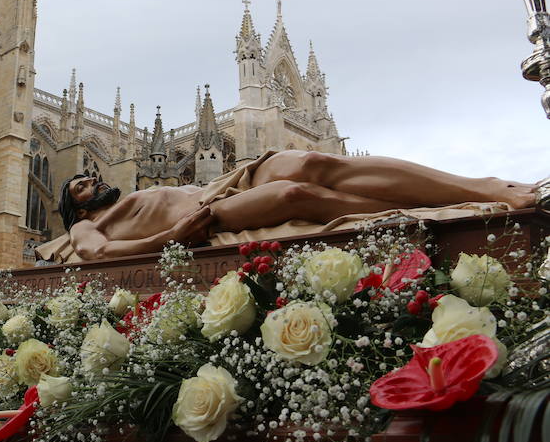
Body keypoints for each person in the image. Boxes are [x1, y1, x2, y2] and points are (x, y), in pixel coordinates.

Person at [59, 150, 542, 261]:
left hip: (225, 182)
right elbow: (94, 256)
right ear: (77, 210)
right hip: (207, 216)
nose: (93, 181)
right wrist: (173, 236)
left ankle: (484, 185)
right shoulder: (85, 229)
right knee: (300, 196)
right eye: (81, 186)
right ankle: (463, 203)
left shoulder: (129, 196)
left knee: (312, 161)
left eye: (91, 175)